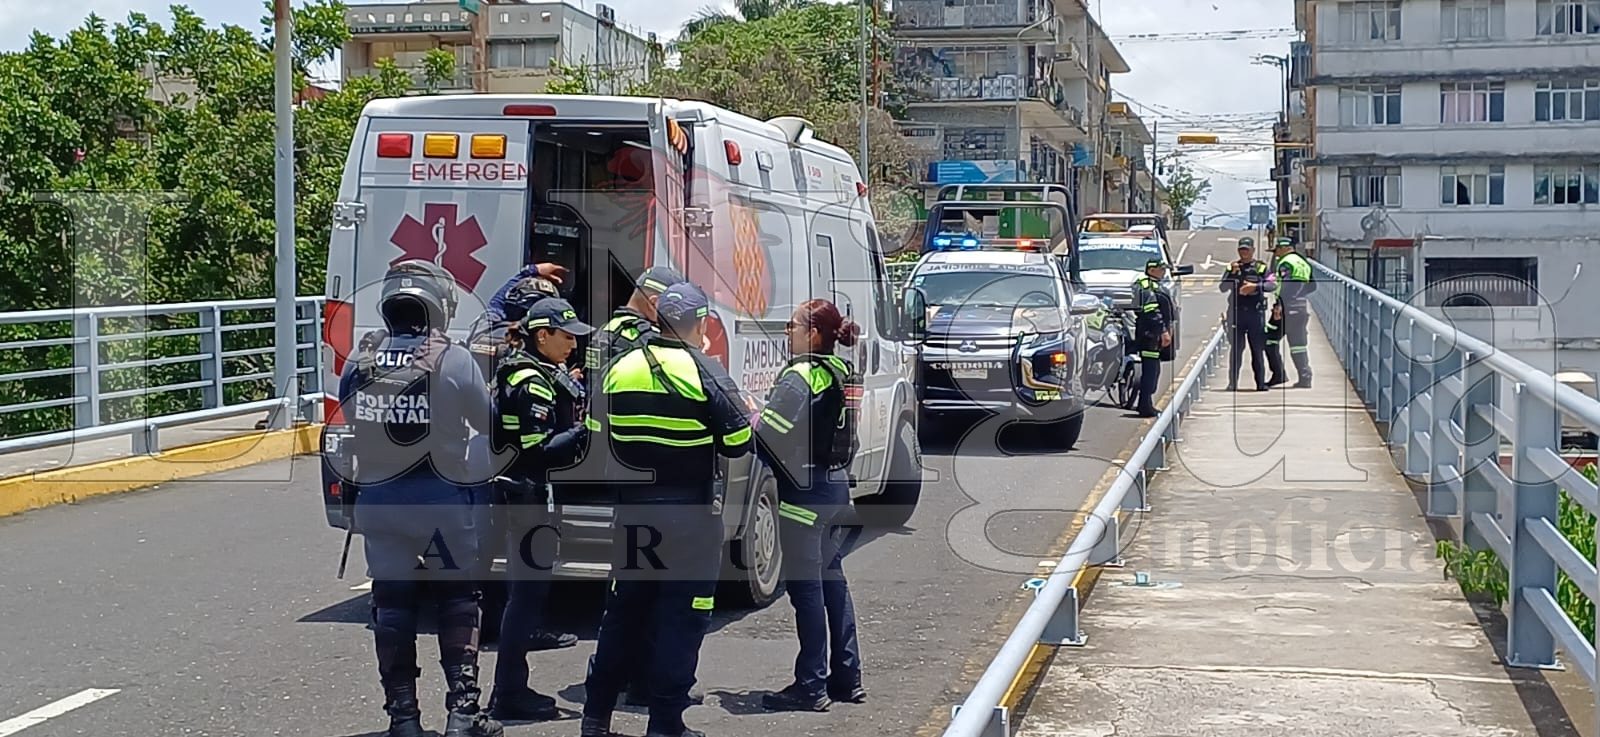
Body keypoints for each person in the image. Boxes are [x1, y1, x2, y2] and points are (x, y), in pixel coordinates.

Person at [337, 259, 503, 737]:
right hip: (442, 506)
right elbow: (489, 424)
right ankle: (463, 715)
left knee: (391, 608)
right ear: (439, 308)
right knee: (457, 602)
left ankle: (404, 719)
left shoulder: (361, 360)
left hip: (381, 503)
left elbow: (348, 424)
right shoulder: (452, 359)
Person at [580, 282, 753, 737]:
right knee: (683, 619)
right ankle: (664, 725)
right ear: (698, 324)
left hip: (634, 517)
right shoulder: (704, 371)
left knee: (621, 617)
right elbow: (739, 444)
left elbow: (596, 434)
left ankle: (595, 719)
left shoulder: (619, 369)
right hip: (690, 521)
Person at [753, 299, 866, 712]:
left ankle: (810, 686)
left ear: (813, 334)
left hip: (804, 495)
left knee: (806, 591)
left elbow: (769, 434)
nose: (787, 332)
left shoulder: (801, 374)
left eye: (792, 326)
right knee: (833, 581)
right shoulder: (837, 370)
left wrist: (752, 416)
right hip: (836, 487)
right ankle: (847, 678)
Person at [584, 264, 687, 708]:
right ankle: (641, 682)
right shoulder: (642, 340)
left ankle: (615, 677)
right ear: (651, 299)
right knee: (647, 589)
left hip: (610, 465)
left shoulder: (601, 333)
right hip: (646, 470)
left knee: (624, 584)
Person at [486, 298, 593, 722]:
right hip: (530, 498)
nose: (573, 344)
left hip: (520, 495)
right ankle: (509, 691)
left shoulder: (531, 369)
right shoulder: (532, 382)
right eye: (566, 337)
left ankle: (510, 686)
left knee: (525, 596)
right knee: (526, 599)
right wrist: (588, 430)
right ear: (542, 336)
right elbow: (538, 450)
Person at [1218, 237, 1275, 392]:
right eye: (1241, 249)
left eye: (1247, 249)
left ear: (1253, 250)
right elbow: (1222, 287)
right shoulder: (1232, 267)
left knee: (1257, 350)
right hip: (1236, 314)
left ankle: (1260, 383)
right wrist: (1232, 274)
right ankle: (1232, 384)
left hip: (1255, 314)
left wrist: (1255, 287)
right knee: (1236, 350)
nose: (1244, 252)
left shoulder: (1260, 268)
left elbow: (1272, 285)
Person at [1271, 236, 1316, 388]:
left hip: (1287, 308)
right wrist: (1300, 295)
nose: (1275, 253)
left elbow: (1287, 286)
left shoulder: (1286, 263)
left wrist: (1279, 305)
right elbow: (1312, 286)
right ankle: (1305, 377)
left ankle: (1279, 375)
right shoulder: (1303, 262)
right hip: (1301, 307)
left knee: (1269, 340)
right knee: (1298, 345)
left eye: (1277, 249)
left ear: (1285, 248)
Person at [1132, 258, 1175, 418]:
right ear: (1151, 270)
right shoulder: (1147, 286)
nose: (1164, 272)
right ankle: (1144, 406)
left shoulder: (1154, 284)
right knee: (1151, 371)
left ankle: (1146, 403)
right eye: (1161, 269)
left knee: (1154, 370)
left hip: (1153, 334)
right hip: (1150, 335)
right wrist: (1163, 331)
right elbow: (1152, 312)